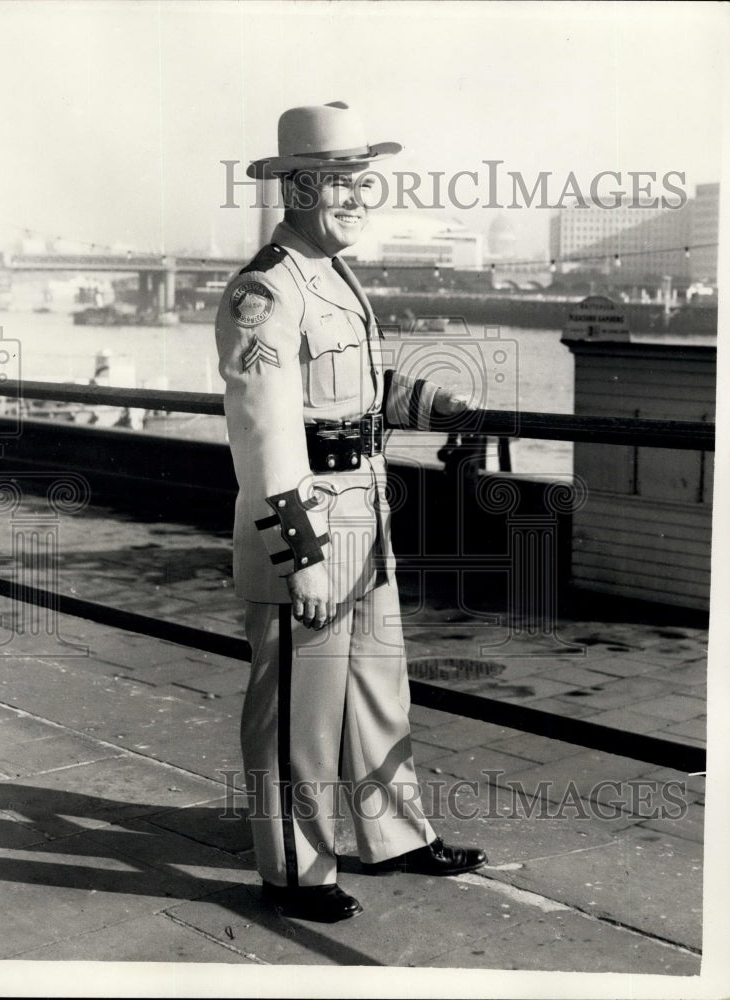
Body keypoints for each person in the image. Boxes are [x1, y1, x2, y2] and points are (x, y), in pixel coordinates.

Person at [215, 102, 487, 923]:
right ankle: (295, 871)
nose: (357, 199)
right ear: (296, 188)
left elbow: (355, 391)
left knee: (376, 689)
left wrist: (437, 401)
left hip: (366, 520)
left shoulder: (332, 274)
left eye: (362, 184)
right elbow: (264, 435)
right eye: (339, 184)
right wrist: (302, 555)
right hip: (309, 528)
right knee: (301, 707)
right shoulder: (264, 291)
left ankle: (393, 835)